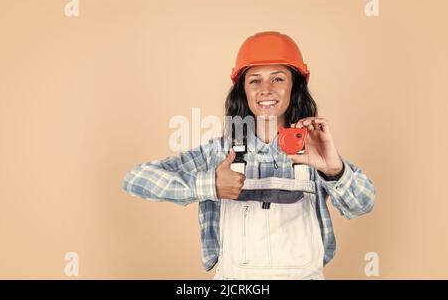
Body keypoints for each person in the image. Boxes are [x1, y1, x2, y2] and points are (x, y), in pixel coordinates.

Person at [122, 31, 375, 279]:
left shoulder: (312, 151)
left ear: (294, 88)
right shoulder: (221, 152)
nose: (266, 89)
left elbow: (362, 205)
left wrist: (334, 170)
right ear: (243, 90)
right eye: (255, 80)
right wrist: (209, 185)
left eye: (278, 79)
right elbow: (135, 179)